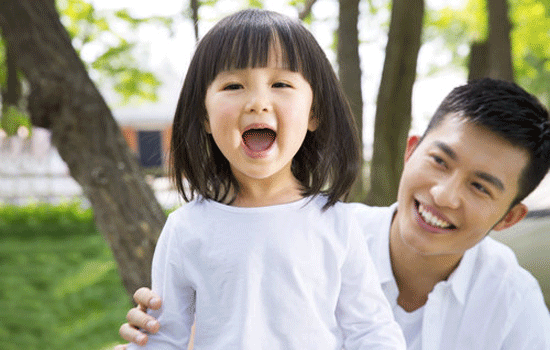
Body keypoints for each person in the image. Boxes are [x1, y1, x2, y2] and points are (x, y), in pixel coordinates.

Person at [117, 77, 550, 350]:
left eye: (479, 186)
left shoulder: (513, 304)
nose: (444, 194)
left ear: (509, 218)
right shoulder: (315, 231)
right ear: (411, 149)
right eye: (439, 160)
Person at [123, 8, 406, 350]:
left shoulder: (337, 224)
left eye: (281, 84)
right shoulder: (185, 229)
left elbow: (371, 331)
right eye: (233, 85)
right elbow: (165, 337)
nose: (258, 102)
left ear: (313, 112)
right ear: (205, 116)